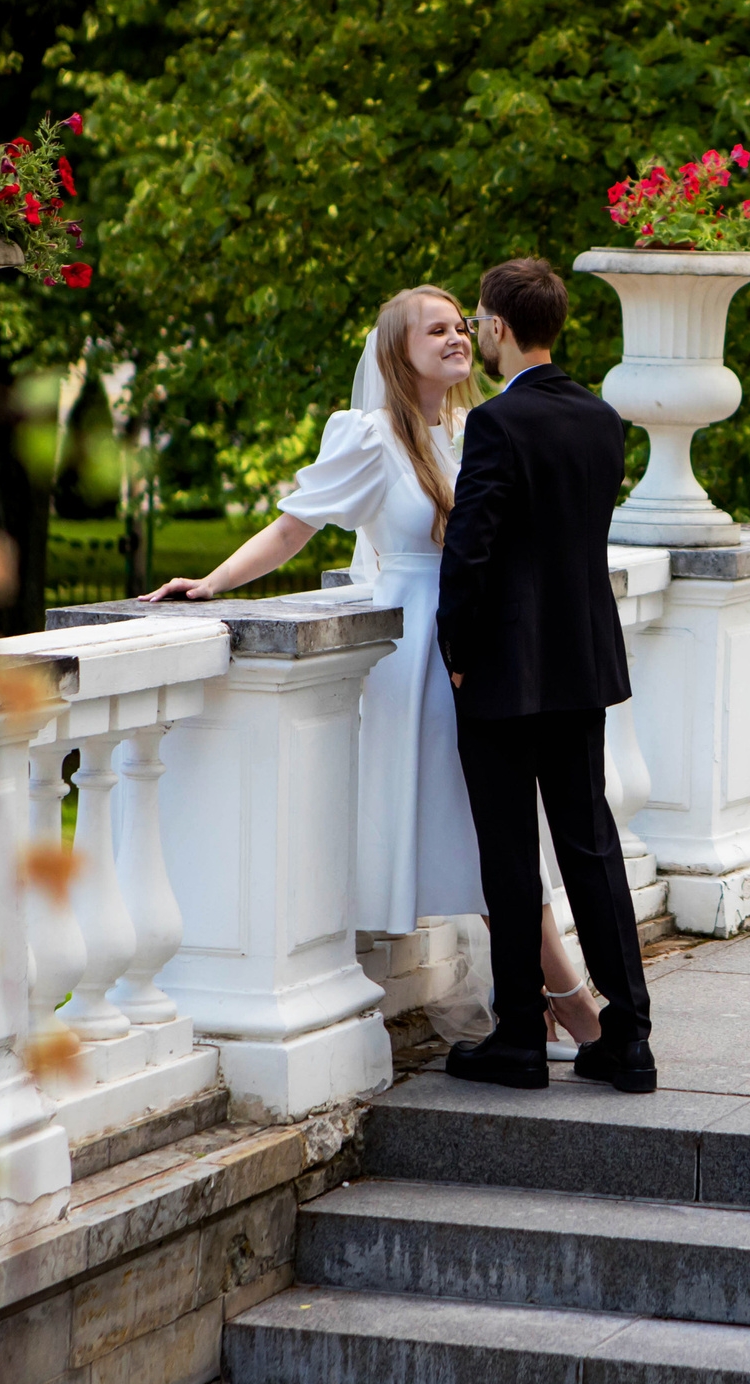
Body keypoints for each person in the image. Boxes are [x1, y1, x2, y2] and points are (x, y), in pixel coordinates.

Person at [141, 284, 603, 1054]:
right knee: (482, 835)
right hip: (420, 656)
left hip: (483, 647)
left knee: (502, 836)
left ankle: (553, 1003)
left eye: (463, 326)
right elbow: (294, 528)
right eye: (436, 330)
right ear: (397, 350)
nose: (458, 337)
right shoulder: (368, 438)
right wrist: (214, 584)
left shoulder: (474, 428)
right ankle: (572, 1004)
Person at [438, 257, 656, 1093]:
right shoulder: (603, 419)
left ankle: (521, 1038)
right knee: (592, 845)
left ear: (496, 326)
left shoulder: (497, 423)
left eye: (479, 322)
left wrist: (456, 652)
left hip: (499, 671)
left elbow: (473, 549)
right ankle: (629, 1038)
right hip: (580, 664)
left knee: (508, 852)